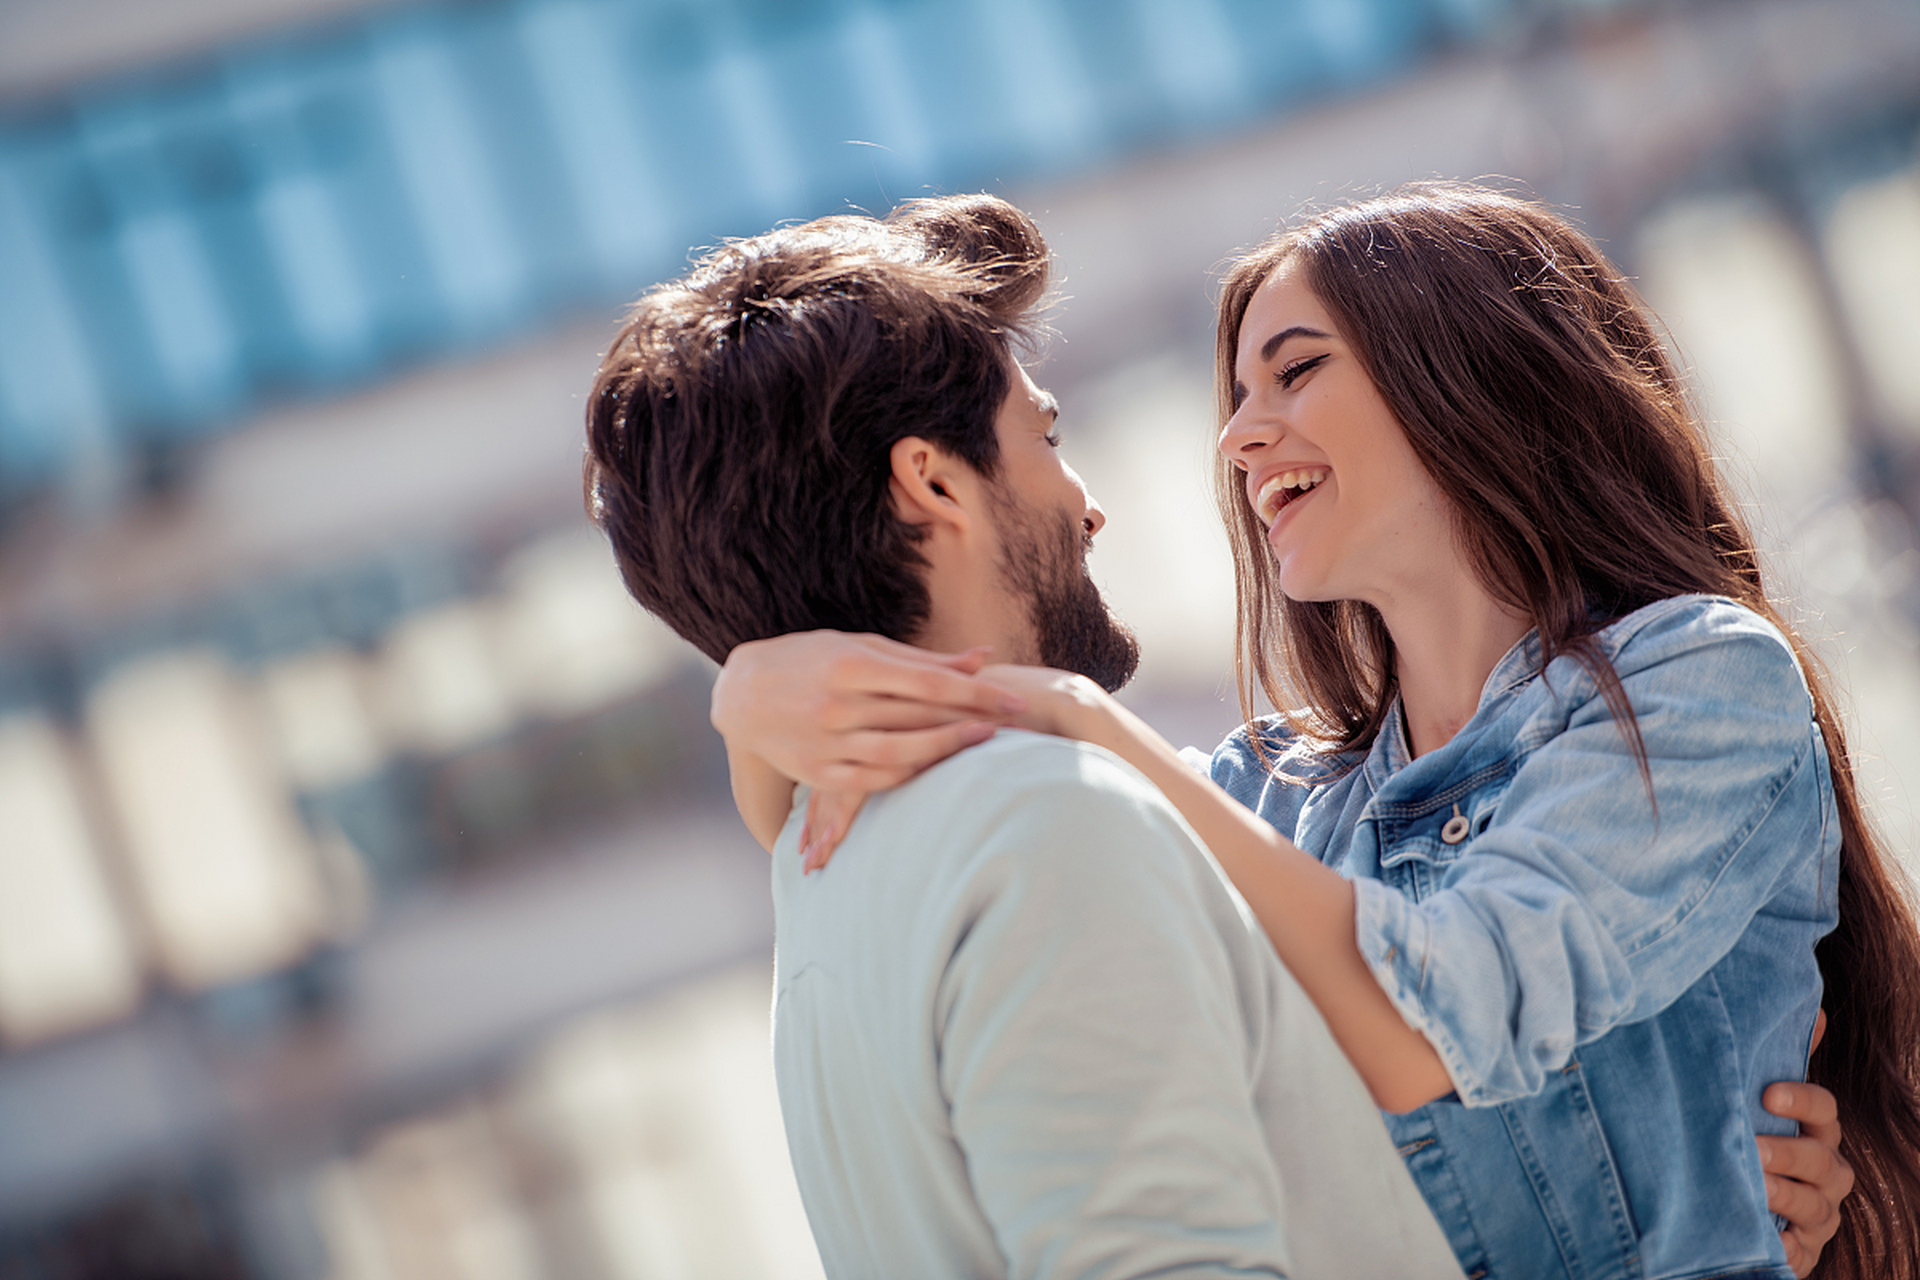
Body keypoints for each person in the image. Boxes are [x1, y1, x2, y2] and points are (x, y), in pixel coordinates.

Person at [713, 184, 1919, 1279]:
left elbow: (1432, 1017)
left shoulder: (1700, 680)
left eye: (1294, 372)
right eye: (1237, 395)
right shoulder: (1273, 797)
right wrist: (751, 700)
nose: (1238, 435)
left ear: (1470, 375)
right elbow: (870, 819)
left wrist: (1091, 726)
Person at [583, 194, 1466, 1277]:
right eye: (1043, 436)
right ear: (936, 483)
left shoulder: (825, 860)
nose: (1086, 505)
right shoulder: (1050, 823)